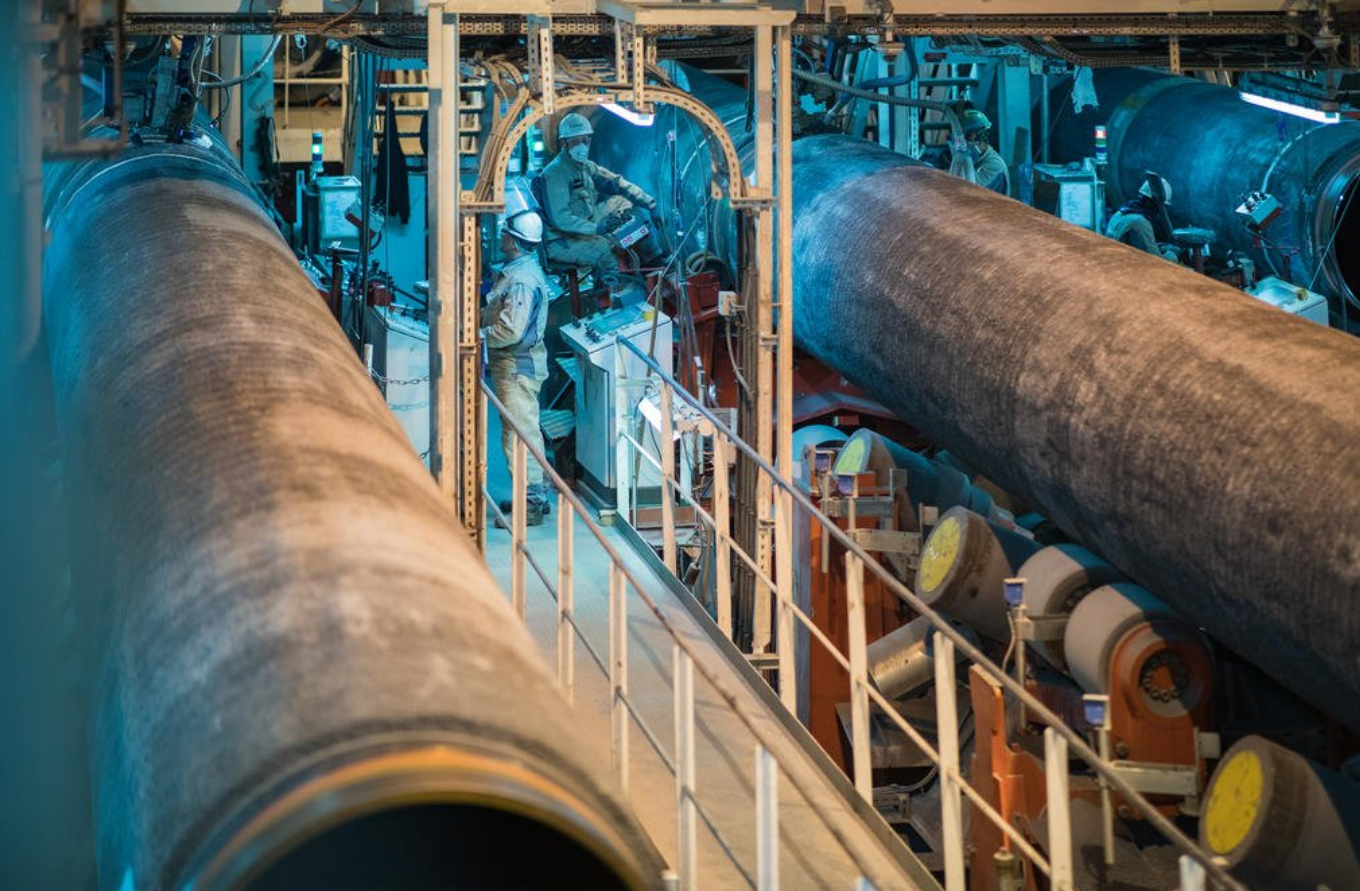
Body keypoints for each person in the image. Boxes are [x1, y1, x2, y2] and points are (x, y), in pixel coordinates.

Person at [538, 112, 663, 295]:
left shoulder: (586, 167)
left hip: (586, 222)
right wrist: (597, 229)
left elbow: (617, 183)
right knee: (606, 250)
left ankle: (654, 259)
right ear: (564, 143)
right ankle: (618, 297)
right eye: (576, 141)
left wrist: (650, 204)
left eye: (585, 140)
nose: (582, 146)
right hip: (561, 239)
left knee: (622, 202)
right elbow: (561, 219)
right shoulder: (555, 174)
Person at [483, 209, 552, 526]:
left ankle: (532, 504)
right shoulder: (516, 271)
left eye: (504, 233)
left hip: (517, 366)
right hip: (513, 365)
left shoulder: (522, 280)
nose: (500, 236)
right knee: (522, 431)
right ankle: (532, 496)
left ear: (513, 240)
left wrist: (476, 335)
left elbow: (510, 330)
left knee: (520, 434)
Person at [1105, 172, 1176, 258]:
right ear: (1155, 205)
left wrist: (1159, 246)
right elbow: (1155, 258)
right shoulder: (1141, 222)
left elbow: (1136, 244)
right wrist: (1172, 254)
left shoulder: (1120, 213)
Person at [961, 109, 1010, 196]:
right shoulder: (977, 161)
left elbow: (970, 190)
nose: (965, 145)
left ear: (981, 138)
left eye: (968, 139)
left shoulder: (995, 166)